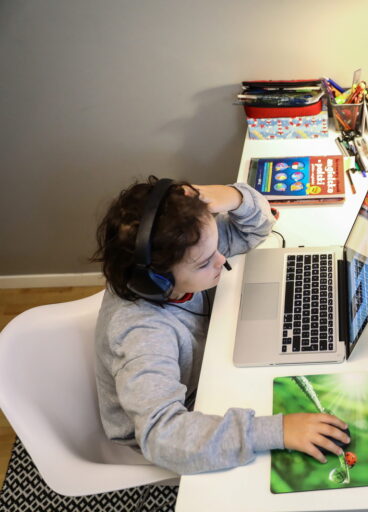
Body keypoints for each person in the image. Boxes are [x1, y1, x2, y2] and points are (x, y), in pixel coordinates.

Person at [91, 176, 349, 475]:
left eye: (215, 245)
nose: (222, 260)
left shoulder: (189, 249)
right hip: (181, 423)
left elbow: (256, 228)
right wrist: (276, 431)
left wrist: (229, 196)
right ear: (156, 282)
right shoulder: (142, 334)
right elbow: (161, 436)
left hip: (206, 365)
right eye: (204, 263)